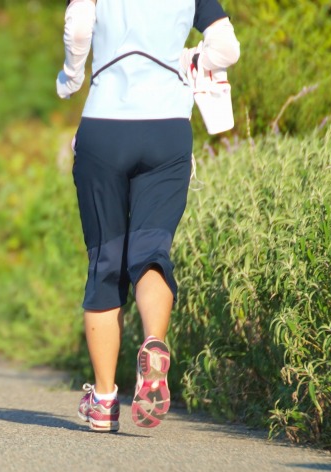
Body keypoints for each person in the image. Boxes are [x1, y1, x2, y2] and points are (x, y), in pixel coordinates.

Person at [57, 0, 240, 432]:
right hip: (167, 128)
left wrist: (72, 76)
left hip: (106, 123)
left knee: (106, 261)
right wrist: (187, 60)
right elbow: (226, 48)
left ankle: (103, 401)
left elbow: (79, 28)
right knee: (151, 250)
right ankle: (154, 343)